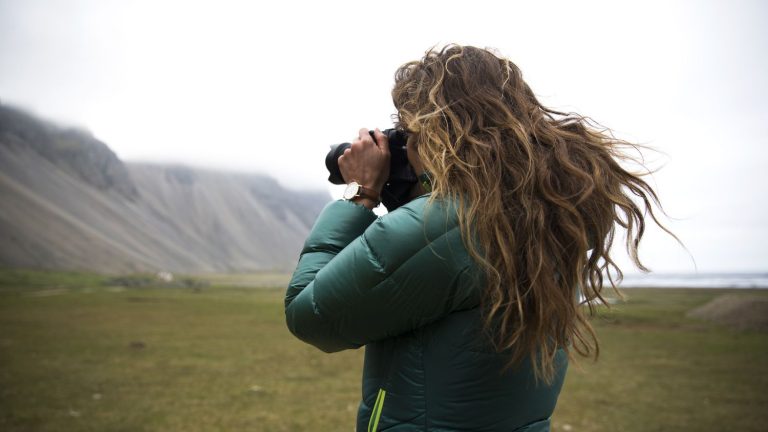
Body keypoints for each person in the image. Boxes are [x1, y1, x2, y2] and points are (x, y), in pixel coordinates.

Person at [285, 45, 671, 431]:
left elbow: (310, 315)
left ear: (438, 133)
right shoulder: (551, 211)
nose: (408, 147)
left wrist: (362, 192)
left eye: (411, 133)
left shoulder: (442, 228)